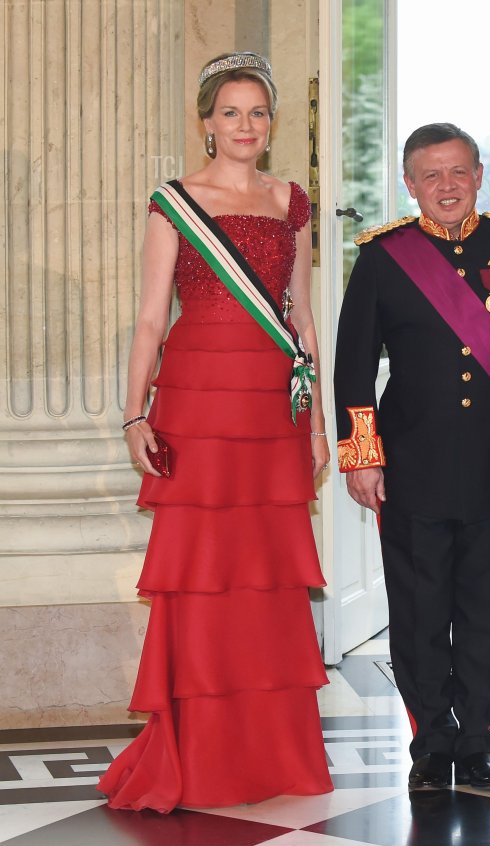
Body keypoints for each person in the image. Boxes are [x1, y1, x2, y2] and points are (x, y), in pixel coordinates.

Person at [99, 52, 333, 812]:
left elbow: (301, 318)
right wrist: (135, 413)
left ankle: (270, 750)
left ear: (270, 124)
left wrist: (319, 424)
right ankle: (197, 751)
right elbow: (147, 318)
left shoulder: (290, 200)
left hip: (270, 411)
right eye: (230, 112)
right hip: (197, 405)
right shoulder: (177, 201)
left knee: (265, 575)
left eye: (257, 113)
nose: (245, 126)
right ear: (206, 123)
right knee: (202, 573)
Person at [334, 123, 490, 791]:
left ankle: (479, 737)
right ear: (409, 185)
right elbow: (353, 369)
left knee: (487, 608)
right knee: (418, 607)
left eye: (458, 172)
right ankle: (431, 740)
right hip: (413, 468)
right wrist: (362, 457)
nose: (446, 186)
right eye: (431, 175)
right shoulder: (385, 259)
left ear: (480, 174)